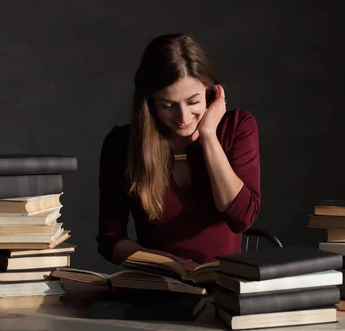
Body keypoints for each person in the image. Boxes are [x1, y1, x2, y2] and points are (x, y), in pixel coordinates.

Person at [96, 33, 261, 270]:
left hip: (222, 288)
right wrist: (168, 264)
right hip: (157, 285)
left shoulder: (237, 127)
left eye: (193, 102)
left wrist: (208, 136)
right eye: (168, 105)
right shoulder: (122, 143)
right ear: (150, 103)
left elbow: (241, 219)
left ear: (210, 91)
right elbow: (110, 240)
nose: (183, 117)